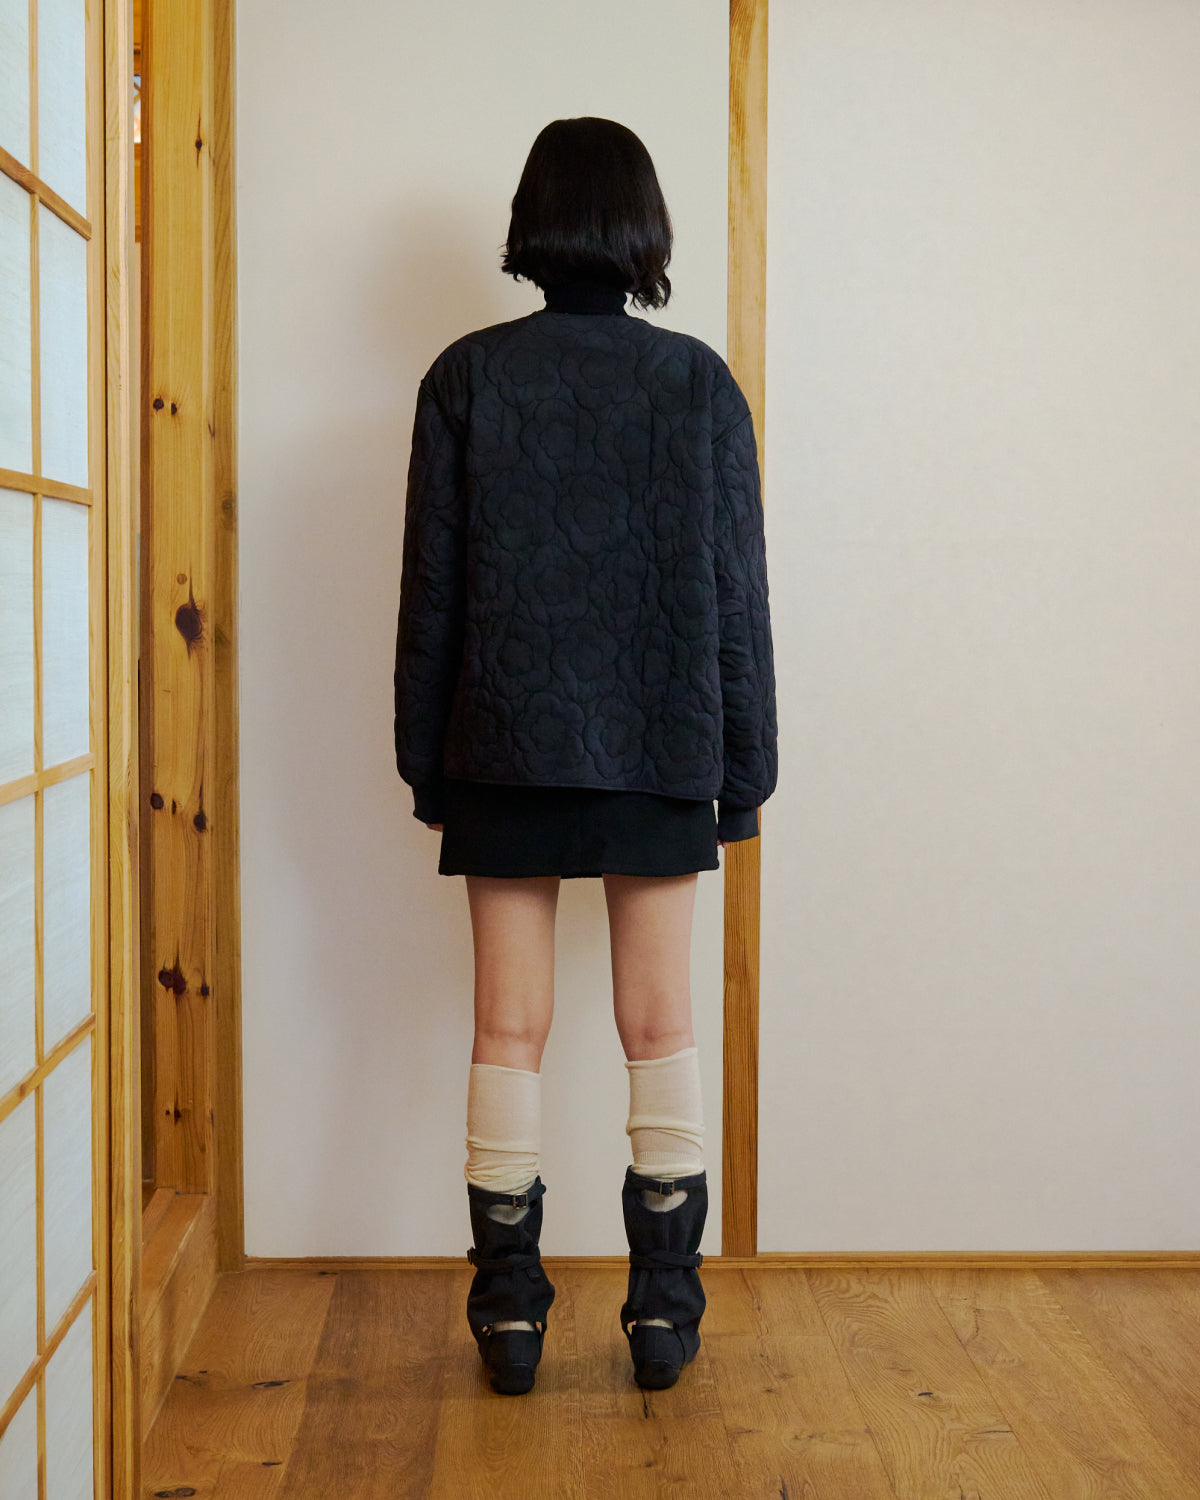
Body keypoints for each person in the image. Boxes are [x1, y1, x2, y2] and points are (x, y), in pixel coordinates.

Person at [393, 116, 777, 1396]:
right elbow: (737, 596)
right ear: (642, 226)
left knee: (509, 1027)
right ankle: (663, 1315)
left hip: (502, 741)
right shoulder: (697, 385)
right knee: (659, 1025)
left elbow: (429, 594)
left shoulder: (463, 378)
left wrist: (424, 758)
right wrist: (748, 770)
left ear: (533, 222)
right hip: (662, 742)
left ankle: (508, 1319)